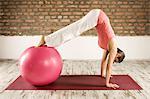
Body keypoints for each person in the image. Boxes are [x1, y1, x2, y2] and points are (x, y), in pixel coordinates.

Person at [37, 9, 125, 89]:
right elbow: (109, 67)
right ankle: (46, 39)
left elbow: (103, 61)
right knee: (74, 31)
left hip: (97, 16)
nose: (113, 61)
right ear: (118, 54)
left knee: (74, 31)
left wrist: (103, 75)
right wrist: (108, 83)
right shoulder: (113, 46)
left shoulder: (109, 47)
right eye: (115, 60)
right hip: (98, 16)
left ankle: (49, 40)